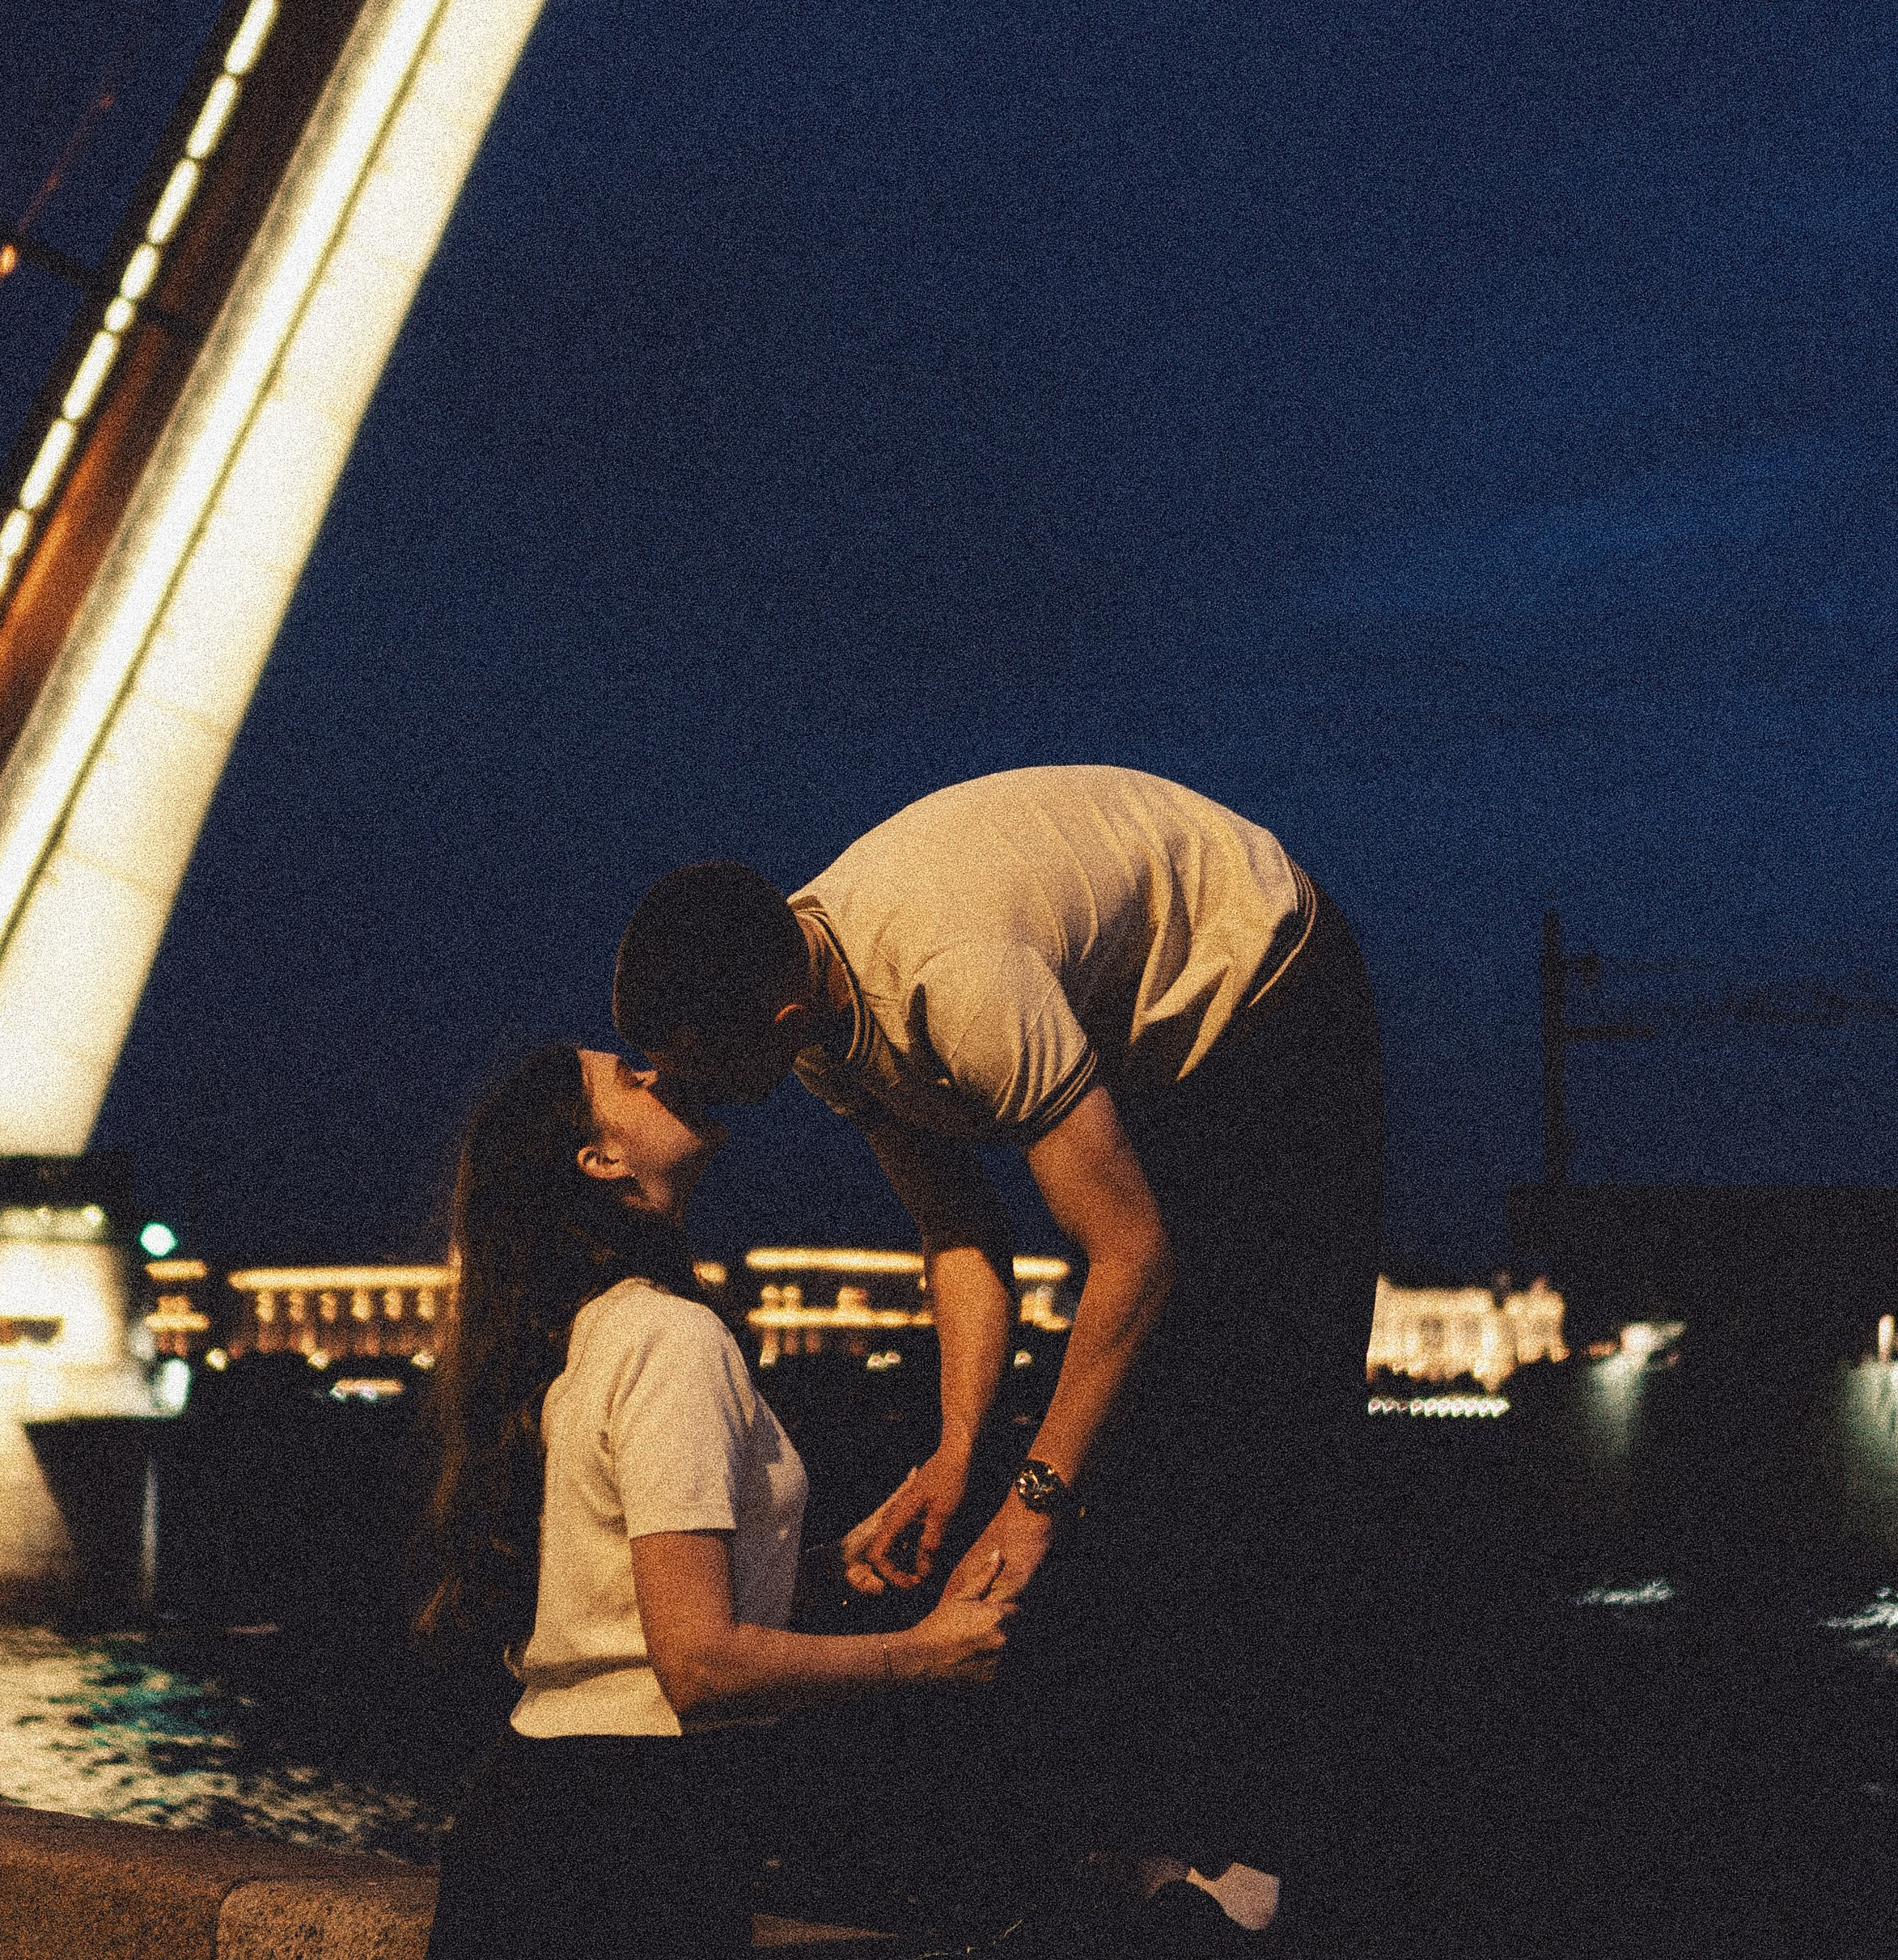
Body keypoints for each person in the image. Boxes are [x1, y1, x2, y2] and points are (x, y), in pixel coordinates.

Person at [612, 765, 1387, 1949]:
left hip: (1270, 982)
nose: (673, 1092)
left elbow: (1128, 1254)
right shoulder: (817, 1021)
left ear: (768, 1027)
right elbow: (959, 1236)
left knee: (1249, 1423)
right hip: (1149, 1038)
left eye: (687, 1066)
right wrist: (958, 1454)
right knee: (1109, 1438)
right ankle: (1134, 1846)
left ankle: (1261, 1865)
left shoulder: (954, 980)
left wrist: (1029, 1500)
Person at [418, 1039, 1017, 1960]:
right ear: (599, 1157)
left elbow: (621, 1595)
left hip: (551, 1809)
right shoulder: (669, 1338)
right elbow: (696, 1665)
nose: (658, 1068)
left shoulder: (601, 1331)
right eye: (626, 1074)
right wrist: (923, 1654)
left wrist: (805, 1568)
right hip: (626, 1836)